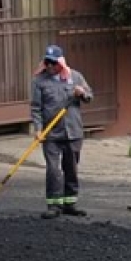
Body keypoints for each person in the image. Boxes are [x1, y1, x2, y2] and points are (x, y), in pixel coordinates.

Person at [31, 44, 93, 219]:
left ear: (60, 63)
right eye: (47, 63)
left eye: (53, 63)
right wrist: (38, 129)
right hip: (51, 134)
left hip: (73, 132)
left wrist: (82, 93)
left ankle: (69, 203)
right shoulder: (39, 81)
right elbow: (36, 108)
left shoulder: (75, 77)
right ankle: (54, 204)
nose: (50, 66)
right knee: (53, 170)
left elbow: (89, 96)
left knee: (71, 169)